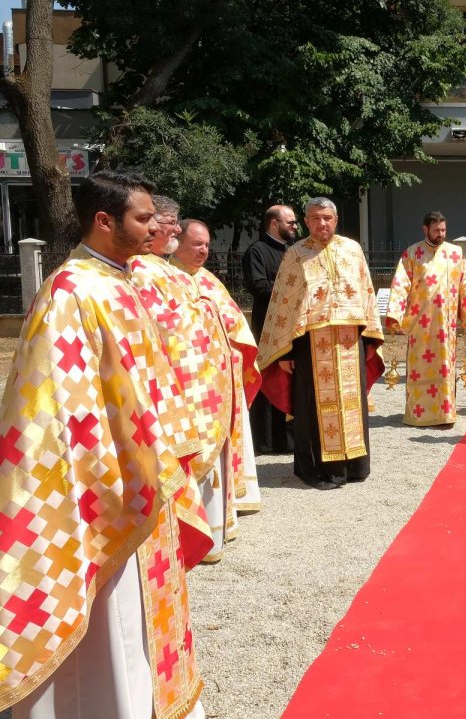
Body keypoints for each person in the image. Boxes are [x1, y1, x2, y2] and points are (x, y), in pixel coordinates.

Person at [0, 171, 212, 719]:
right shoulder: (71, 291)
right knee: (110, 623)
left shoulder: (121, 281)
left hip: (148, 473)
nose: (154, 229)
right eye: (143, 219)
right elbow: (55, 405)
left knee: (142, 619)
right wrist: (115, 474)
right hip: (109, 485)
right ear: (104, 220)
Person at [128, 200, 237, 563]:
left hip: (201, 382)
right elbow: (167, 328)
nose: (176, 230)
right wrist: (204, 311)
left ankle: (210, 534)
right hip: (181, 384)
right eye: (169, 223)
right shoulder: (141, 271)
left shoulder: (163, 269)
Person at [257, 197, 384, 489]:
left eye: (326, 217)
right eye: (315, 218)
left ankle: (354, 465)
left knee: (352, 403)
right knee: (314, 407)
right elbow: (283, 307)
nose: (321, 223)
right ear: (306, 221)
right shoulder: (296, 254)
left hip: (350, 342)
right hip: (309, 346)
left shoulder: (352, 250)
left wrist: (368, 340)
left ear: (335, 220)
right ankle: (319, 468)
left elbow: (366, 295)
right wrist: (284, 353)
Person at [172, 218, 263, 560]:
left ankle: (225, 516)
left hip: (222, 378)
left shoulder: (208, 279)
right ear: (176, 242)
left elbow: (234, 322)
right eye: (197, 244)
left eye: (207, 244)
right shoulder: (167, 281)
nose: (204, 250)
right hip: (195, 382)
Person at [384, 211, 466, 427]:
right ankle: (418, 414)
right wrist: (394, 312)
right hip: (419, 324)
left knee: (445, 365)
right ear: (425, 230)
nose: (441, 234)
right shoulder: (412, 253)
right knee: (419, 367)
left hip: (445, 325)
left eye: (443, 230)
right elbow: (401, 284)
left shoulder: (455, 253)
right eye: (436, 230)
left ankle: (445, 412)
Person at [243, 204, 298, 456]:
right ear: (274, 224)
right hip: (266, 328)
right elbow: (257, 285)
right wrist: (289, 290)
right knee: (267, 382)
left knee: (289, 381)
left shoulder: (293, 252)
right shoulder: (257, 251)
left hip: (292, 329)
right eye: (290, 222)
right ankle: (266, 442)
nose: (295, 226)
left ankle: (288, 440)